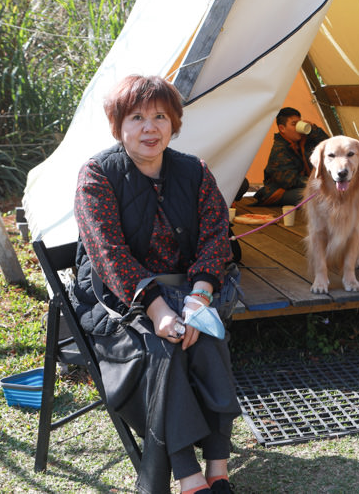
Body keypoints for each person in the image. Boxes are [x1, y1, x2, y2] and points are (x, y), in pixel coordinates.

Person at [71, 74, 241, 494]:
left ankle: (217, 470)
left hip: (189, 291)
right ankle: (188, 475)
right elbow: (109, 257)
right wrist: (158, 310)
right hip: (117, 298)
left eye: (160, 116)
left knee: (207, 334)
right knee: (164, 347)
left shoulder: (194, 171)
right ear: (117, 125)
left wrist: (200, 300)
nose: (150, 128)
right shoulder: (96, 176)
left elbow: (216, 237)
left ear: (174, 121)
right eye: (137, 117)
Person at [253, 106, 329, 206]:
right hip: (280, 191)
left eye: (299, 123)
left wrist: (313, 130)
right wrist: (315, 183)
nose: (298, 128)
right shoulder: (280, 150)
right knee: (313, 196)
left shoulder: (303, 141)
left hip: (302, 186)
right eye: (294, 124)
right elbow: (290, 181)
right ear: (282, 128)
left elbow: (329, 146)